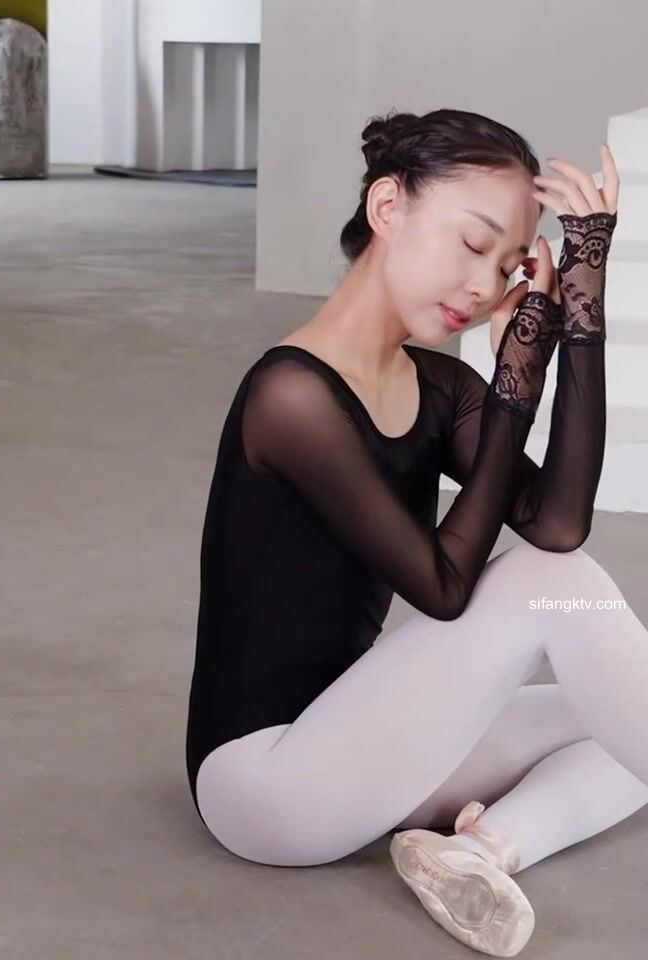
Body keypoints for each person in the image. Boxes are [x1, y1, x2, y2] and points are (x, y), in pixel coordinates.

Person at [185, 108, 644, 957]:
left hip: (364, 739)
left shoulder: (437, 387)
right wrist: (512, 390)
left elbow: (558, 522)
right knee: (556, 590)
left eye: (507, 267)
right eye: (472, 245)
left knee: (609, 712)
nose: (483, 287)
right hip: (265, 785)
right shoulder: (291, 395)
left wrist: (580, 307)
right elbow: (442, 587)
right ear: (388, 207)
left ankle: (482, 853)